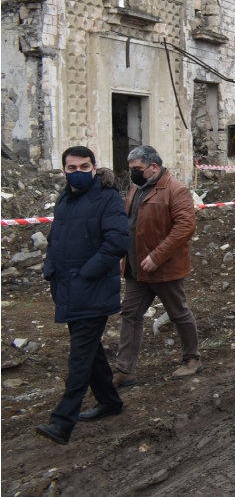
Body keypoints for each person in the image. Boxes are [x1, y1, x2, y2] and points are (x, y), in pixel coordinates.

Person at [35, 147, 129, 445]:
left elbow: (117, 242)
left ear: (94, 168)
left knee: (79, 358)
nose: (78, 172)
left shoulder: (107, 198)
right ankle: (110, 401)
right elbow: (57, 238)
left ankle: (62, 422)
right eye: (72, 167)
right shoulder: (65, 198)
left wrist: (86, 273)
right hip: (67, 288)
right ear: (64, 170)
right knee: (89, 350)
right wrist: (50, 268)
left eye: (84, 166)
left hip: (93, 289)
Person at [114, 146, 200, 387]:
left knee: (178, 313)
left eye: (137, 169)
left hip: (164, 268)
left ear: (154, 166)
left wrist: (157, 256)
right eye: (131, 169)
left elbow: (185, 227)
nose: (133, 173)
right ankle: (125, 370)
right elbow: (130, 222)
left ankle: (192, 359)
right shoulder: (136, 188)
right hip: (136, 267)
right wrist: (123, 254)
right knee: (130, 315)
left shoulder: (176, 190)